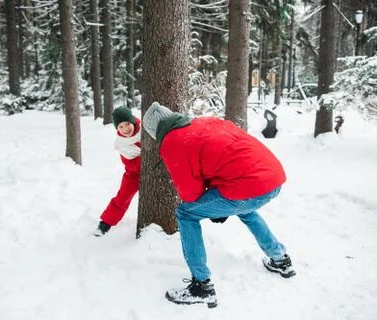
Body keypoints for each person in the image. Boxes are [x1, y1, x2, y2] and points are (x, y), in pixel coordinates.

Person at [142, 102, 296, 308]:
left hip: (247, 187)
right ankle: (280, 259)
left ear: (155, 132)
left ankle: (202, 286)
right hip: (273, 178)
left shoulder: (172, 141)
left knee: (186, 213)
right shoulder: (205, 122)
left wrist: (215, 205)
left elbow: (190, 193)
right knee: (247, 210)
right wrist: (219, 203)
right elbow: (226, 157)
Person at [93, 106, 141, 237]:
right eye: (121, 127)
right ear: (117, 129)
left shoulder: (144, 129)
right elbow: (132, 165)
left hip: (156, 169)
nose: (125, 129)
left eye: (127, 124)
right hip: (133, 173)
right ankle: (106, 223)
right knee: (123, 197)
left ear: (132, 121)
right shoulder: (122, 143)